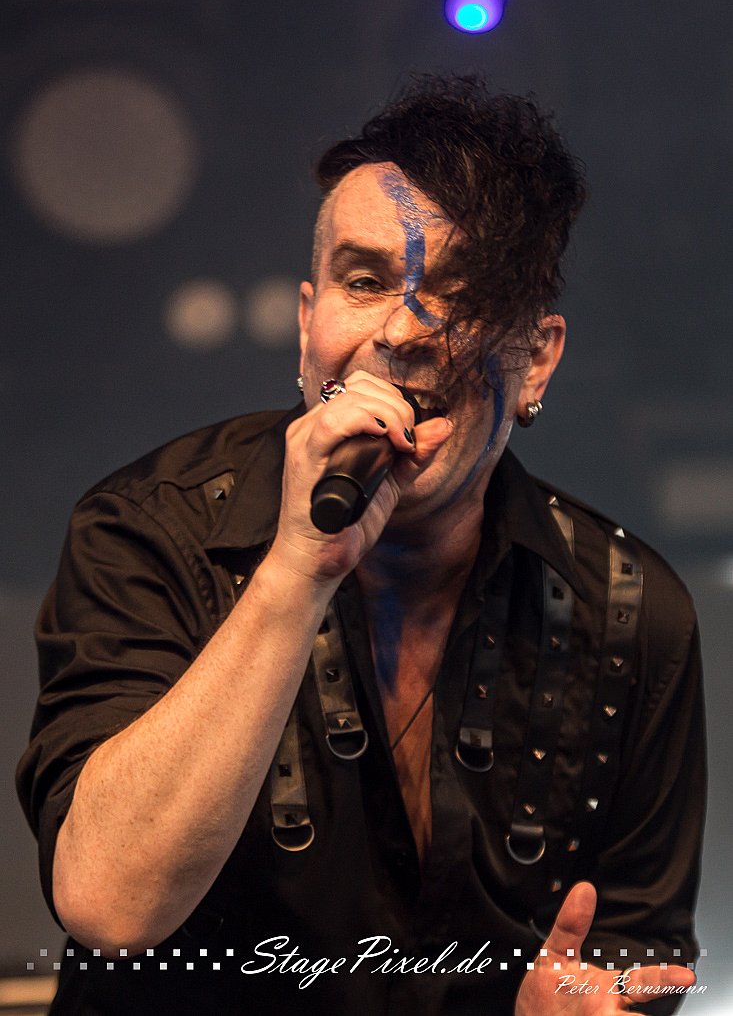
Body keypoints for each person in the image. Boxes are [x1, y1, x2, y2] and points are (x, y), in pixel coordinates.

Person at [17, 75, 705, 1016]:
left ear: (537, 359)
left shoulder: (631, 613)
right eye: (365, 281)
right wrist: (298, 569)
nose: (403, 331)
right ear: (308, 325)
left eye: (461, 293)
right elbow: (109, 904)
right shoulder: (146, 533)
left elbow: (635, 951)